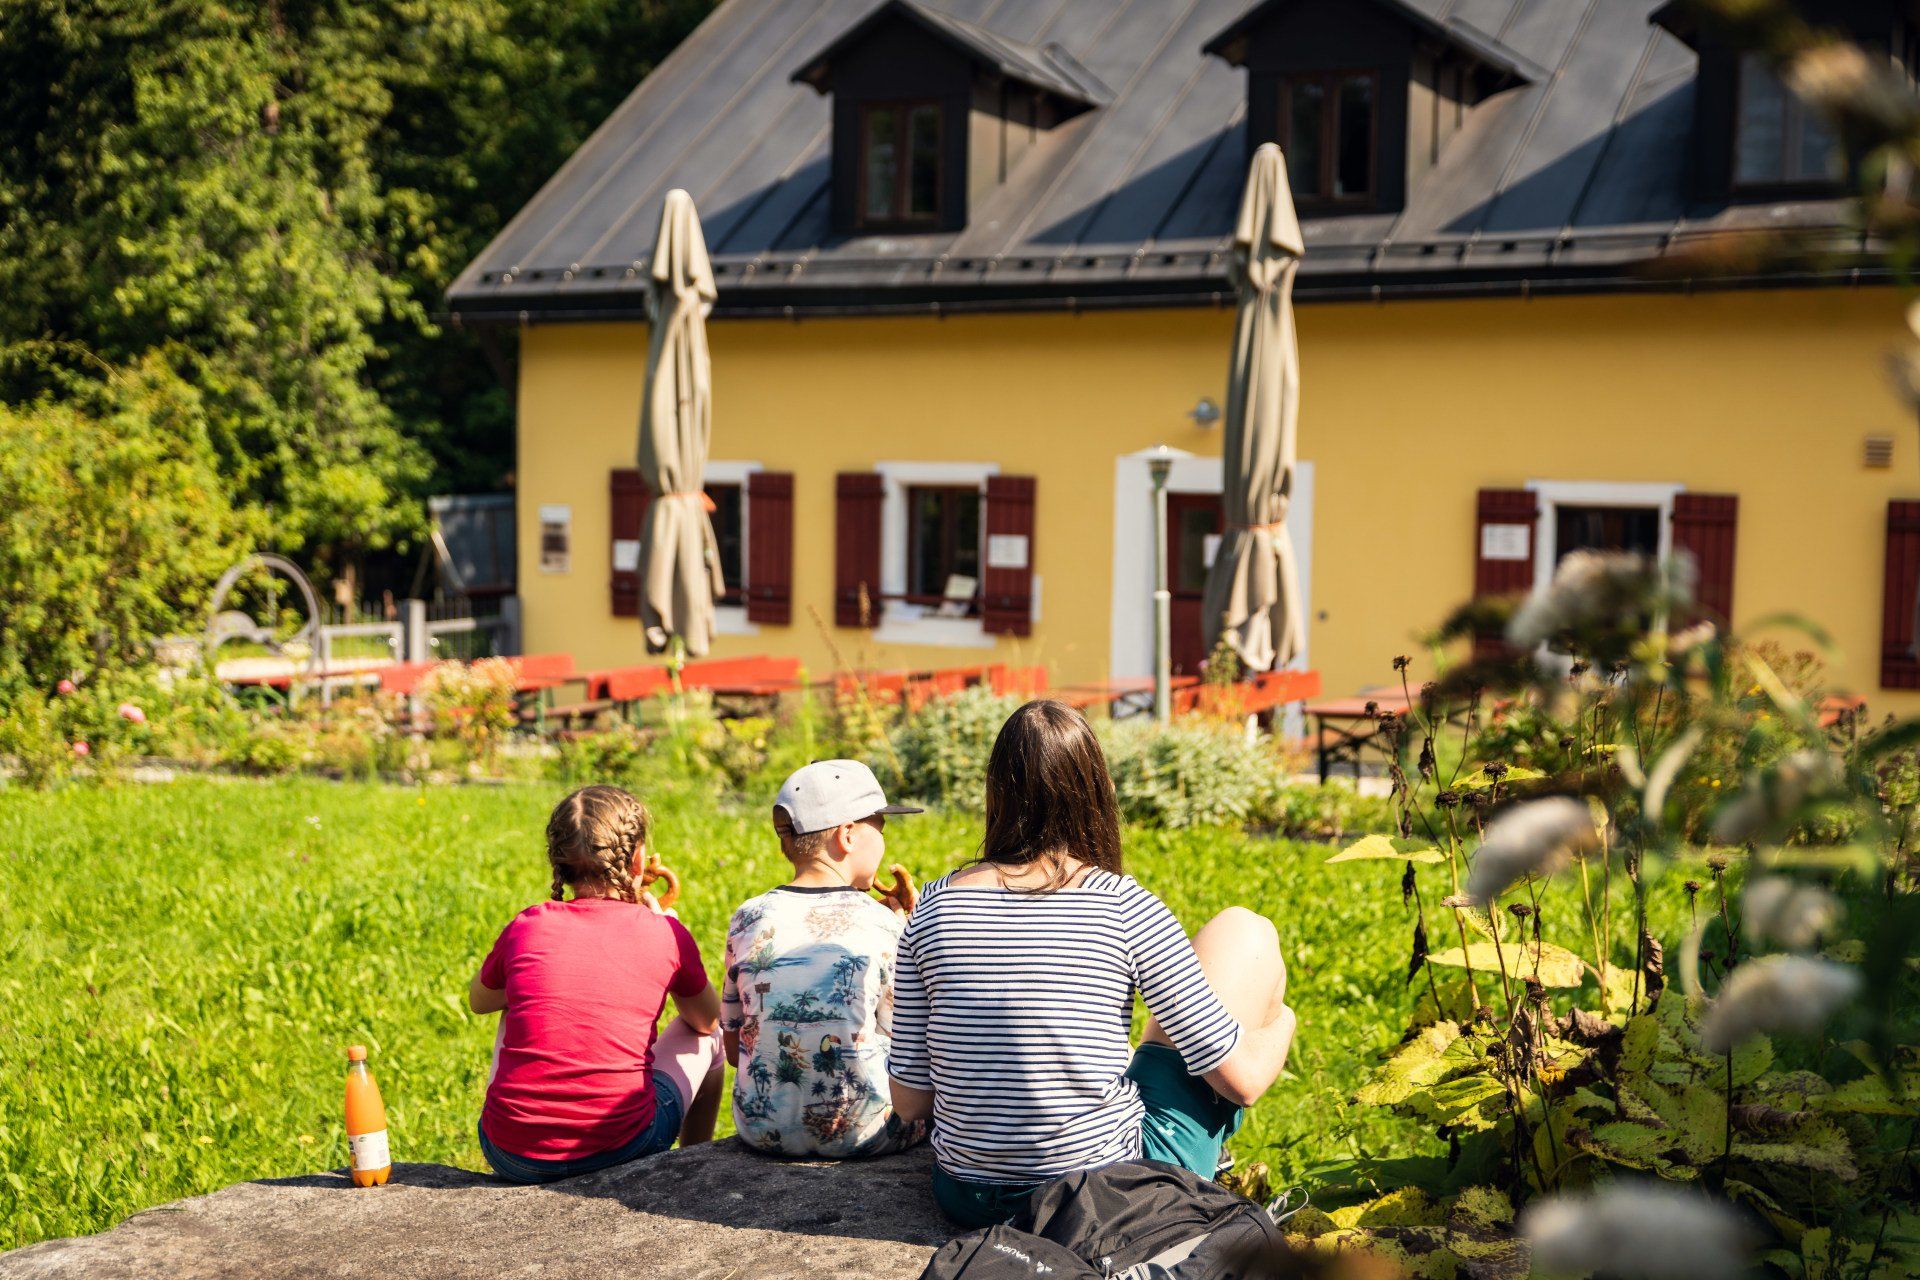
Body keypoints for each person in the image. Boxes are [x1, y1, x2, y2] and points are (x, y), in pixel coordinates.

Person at [888, 700, 1297, 1228]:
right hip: (1102, 1197)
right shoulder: (1121, 903)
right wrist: (1280, 1021)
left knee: (1155, 1038)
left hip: (966, 1194)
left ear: (998, 792)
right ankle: (1203, 1172)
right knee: (1246, 930)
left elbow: (910, 1103)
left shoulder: (934, 907)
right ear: (1094, 790)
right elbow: (1241, 1082)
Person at [468, 785, 723, 1184]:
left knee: (510, 1008)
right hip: (624, 1146)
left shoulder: (527, 925)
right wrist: (665, 930)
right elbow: (707, 1021)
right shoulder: (665, 933)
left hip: (510, 1155)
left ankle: (528, 1121)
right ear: (639, 859)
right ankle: (691, 1167)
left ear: (559, 863)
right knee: (712, 1041)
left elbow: (479, 1001)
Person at [722, 759, 929, 1158]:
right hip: (868, 1134)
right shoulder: (881, 924)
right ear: (847, 835)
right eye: (881, 828)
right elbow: (912, 1045)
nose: (884, 840)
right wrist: (908, 932)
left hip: (759, 1130)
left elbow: (735, 1051)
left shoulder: (747, 917)